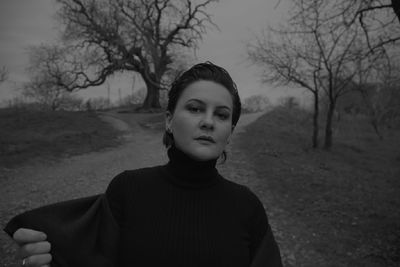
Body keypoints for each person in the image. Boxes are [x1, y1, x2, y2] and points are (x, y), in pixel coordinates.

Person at [5, 62, 282, 267]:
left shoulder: (247, 206)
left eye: (221, 115)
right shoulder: (128, 189)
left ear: (230, 132)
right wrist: (45, 259)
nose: (208, 121)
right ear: (169, 120)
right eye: (195, 108)